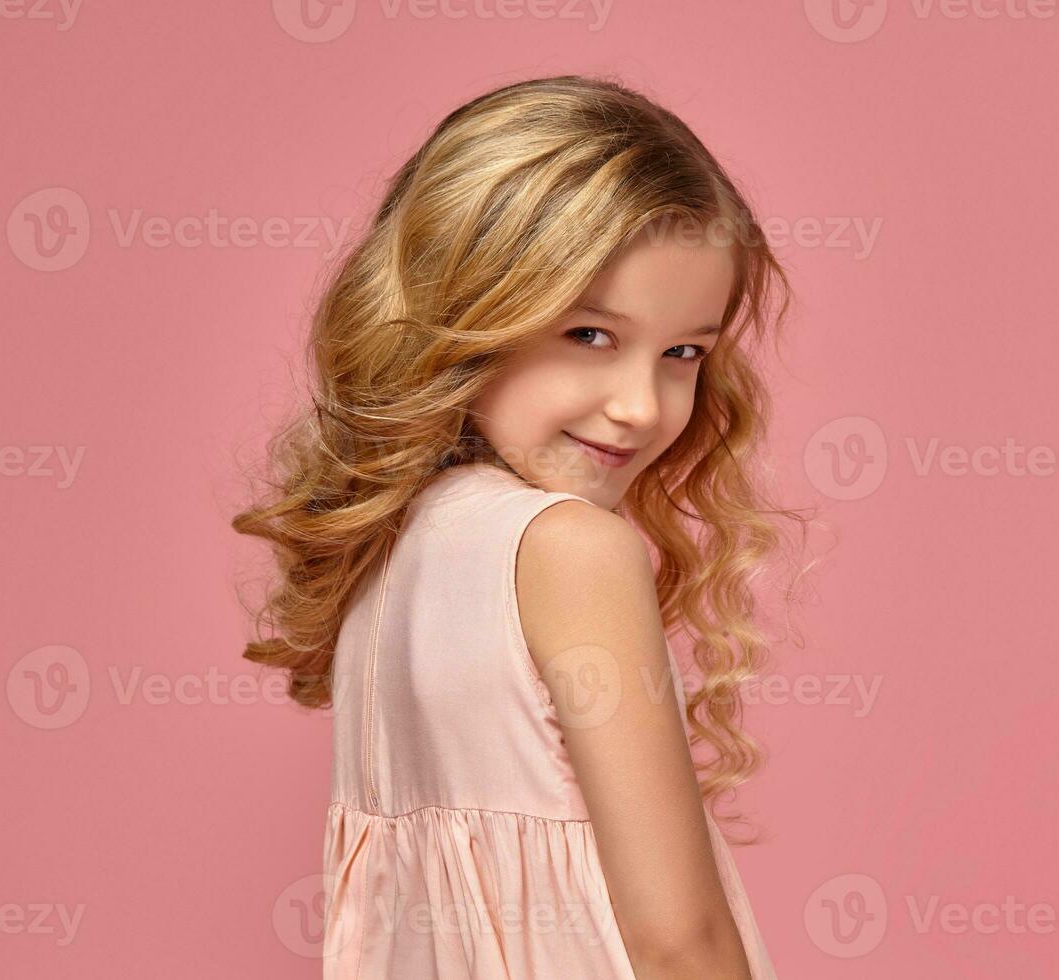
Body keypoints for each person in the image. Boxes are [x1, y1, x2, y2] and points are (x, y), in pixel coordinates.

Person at [233, 73, 812, 979]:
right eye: (588, 334)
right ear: (467, 306)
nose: (638, 405)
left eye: (683, 353)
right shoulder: (570, 550)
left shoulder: (391, 547)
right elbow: (677, 942)